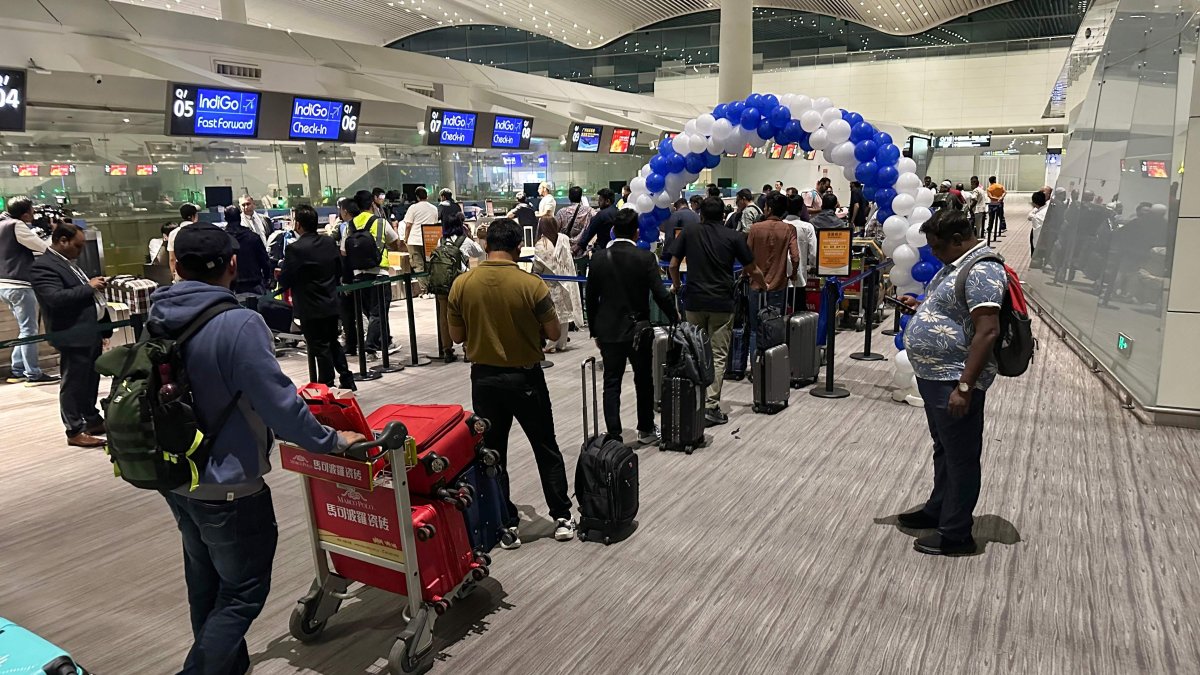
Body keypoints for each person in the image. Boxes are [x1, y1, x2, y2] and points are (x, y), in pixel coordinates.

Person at [149, 222, 364, 674]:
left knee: (205, 580)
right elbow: (280, 406)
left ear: (174, 265)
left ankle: (227, 666)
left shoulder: (155, 315)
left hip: (176, 476)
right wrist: (333, 443)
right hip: (229, 485)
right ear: (232, 264)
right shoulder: (240, 323)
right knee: (244, 591)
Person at [447, 218, 575, 547]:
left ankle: (507, 524)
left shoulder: (462, 284)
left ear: (487, 244)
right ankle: (561, 516)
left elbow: (457, 336)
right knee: (545, 446)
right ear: (519, 246)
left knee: (493, 451)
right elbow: (552, 332)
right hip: (526, 377)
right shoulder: (531, 284)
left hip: (484, 380)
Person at [896, 209, 1004, 557]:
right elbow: (954, 311)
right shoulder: (959, 265)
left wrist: (964, 387)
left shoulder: (983, 269)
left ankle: (957, 533)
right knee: (944, 447)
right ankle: (938, 507)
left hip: (953, 378)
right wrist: (923, 308)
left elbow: (988, 331)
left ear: (958, 240)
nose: (935, 253)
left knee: (961, 456)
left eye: (938, 247)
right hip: (935, 375)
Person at [669, 197, 765, 427]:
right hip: (722, 303)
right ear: (723, 215)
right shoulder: (733, 236)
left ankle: (693, 401)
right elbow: (752, 269)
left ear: (700, 213)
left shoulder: (689, 233)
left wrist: (678, 285)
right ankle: (710, 406)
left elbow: (673, 265)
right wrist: (763, 284)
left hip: (694, 302)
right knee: (718, 354)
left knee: (693, 352)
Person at [587, 209, 679, 443]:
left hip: (608, 328)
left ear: (612, 231)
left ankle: (614, 434)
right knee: (643, 379)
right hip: (640, 329)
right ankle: (646, 429)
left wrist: (595, 331)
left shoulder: (598, 258)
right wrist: (675, 317)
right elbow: (660, 294)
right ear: (637, 232)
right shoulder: (645, 258)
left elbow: (590, 298)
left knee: (611, 381)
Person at [30, 222, 109, 447]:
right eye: (78, 246)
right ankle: (74, 429)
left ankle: (92, 419)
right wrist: (90, 286)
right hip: (72, 332)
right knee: (74, 382)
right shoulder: (43, 266)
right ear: (62, 241)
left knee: (90, 378)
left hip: (89, 330)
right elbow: (55, 298)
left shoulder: (69, 263)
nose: (81, 251)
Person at [278, 205, 356, 390]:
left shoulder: (295, 249)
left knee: (319, 348)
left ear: (298, 225)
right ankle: (347, 379)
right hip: (330, 302)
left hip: (310, 306)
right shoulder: (328, 243)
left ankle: (326, 386)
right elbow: (338, 270)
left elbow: (286, 279)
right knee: (333, 342)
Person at [0, 196, 57, 386]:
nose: (34, 214)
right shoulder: (16, 225)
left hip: (4, 285)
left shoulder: (2, 223)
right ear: (24, 213)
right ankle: (33, 374)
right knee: (29, 330)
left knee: (25, 329)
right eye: (32, 211)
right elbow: (43, 248)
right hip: (19, 284)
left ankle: (17, 370)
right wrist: (53, 233)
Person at [745, 192, 800, 356]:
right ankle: (773, 363)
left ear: (768, 209)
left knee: (755, 328)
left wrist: (745, 274)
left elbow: (746, 256)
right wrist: (794, 273)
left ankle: (756, 367)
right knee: (775, 325)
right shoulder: (789, 228)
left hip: (756, 285)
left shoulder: (755, 229)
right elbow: (795, 256)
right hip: (778, 284)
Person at [350, 190, 400, 357]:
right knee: (378, 312)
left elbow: (344, 251)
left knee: (371, 312)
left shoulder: (351, 224)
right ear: (372, 203)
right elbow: (396, 243)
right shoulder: (380, 222)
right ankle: (369, 346)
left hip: (358, 274)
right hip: (379, 272)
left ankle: (385, 341)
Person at [434, 211, 486, 363]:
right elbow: (479, 252)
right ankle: (467, 348)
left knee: (444, 316)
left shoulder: (441, 241)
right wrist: (469, 236)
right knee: (466, 314)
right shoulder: (465, 241)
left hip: (443, 283)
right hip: (461, 282)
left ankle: (447, 350)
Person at [532, 216, 582, 353]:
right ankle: (562, 343)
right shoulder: (564, 239)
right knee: (564, 313)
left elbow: (537, 267)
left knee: (551, 314)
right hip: (566, 279)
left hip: (549, 282)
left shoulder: (541, 244)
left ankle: (550, 345)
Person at [223, 205, 273, 296]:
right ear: (240, 217)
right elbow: (265, 261)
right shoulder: (253, 237)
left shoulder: (221, 239)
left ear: (225, 218)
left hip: (230, 287)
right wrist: (267, 279)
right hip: (254, 285)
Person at [402, 186, 438, 297]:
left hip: (415, 239)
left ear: (417, 197)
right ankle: (432, 289)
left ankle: (424, 290)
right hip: (430, 239)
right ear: (427, 196)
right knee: (429, 264)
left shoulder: (413, 208)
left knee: (418, 266)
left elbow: (408, 225)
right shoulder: (434, 208)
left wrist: (405, 238)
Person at [784, 194, 818, 288]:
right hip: (800, 277)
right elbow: (813, 253)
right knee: (799, 301)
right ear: (801, 209)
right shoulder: (807, 227)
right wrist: (813, 266)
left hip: (781, 279)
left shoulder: (780, 225)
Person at [573, 188, 617, 255]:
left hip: (603, 250)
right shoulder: (619, 212)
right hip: (616, 249)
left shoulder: (601, 215)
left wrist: (578, 247)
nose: (598, 202)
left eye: (600, 200)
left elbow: (590, 232)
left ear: (607, 201)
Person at [167, 202, 202, 280]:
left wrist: (174, 275)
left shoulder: (173, 233)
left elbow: (172, 258)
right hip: (199, 273)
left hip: (180, 273)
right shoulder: (201, 231)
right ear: (194, 216)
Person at [661, 197, 700, 262]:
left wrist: (665, 255)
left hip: (680, 258)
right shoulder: (696, 216)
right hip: (696, 255)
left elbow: (670, 237)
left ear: (676, 206)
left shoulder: (676, 215)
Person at [1029, 190, 1049, 257]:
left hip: (1041, 244)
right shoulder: (1048, 208)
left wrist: (1035, 248)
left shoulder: (1037, 217)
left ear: (1034, 203)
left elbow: (1037, 233)